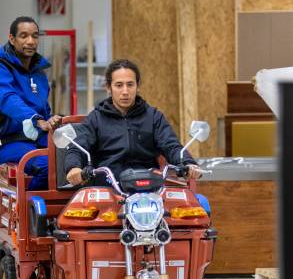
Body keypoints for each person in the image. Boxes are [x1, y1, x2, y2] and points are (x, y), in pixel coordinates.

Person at [64, 59, 202, 186]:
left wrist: (188, 163)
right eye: (119, 85)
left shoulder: (153, 116)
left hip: (147, 186)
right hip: (108, 187)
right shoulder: (95, 118)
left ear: (138, 86)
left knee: (195, 207)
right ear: (108, 87)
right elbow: (77, 147)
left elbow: (171, 146)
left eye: (130, 84)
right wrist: (73, 167)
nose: (125, 91)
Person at [0, 16, 61, 190]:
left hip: (32, 136)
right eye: (24, 36)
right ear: (12, 39)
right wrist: (35, 119)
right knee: (48, 165)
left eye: (35, 36)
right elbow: (8, 99)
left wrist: (52, 120)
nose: (30, 41)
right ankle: (29, 212)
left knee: (71, 157)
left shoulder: (38, 74)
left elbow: (44, 109)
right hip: (2, 142)